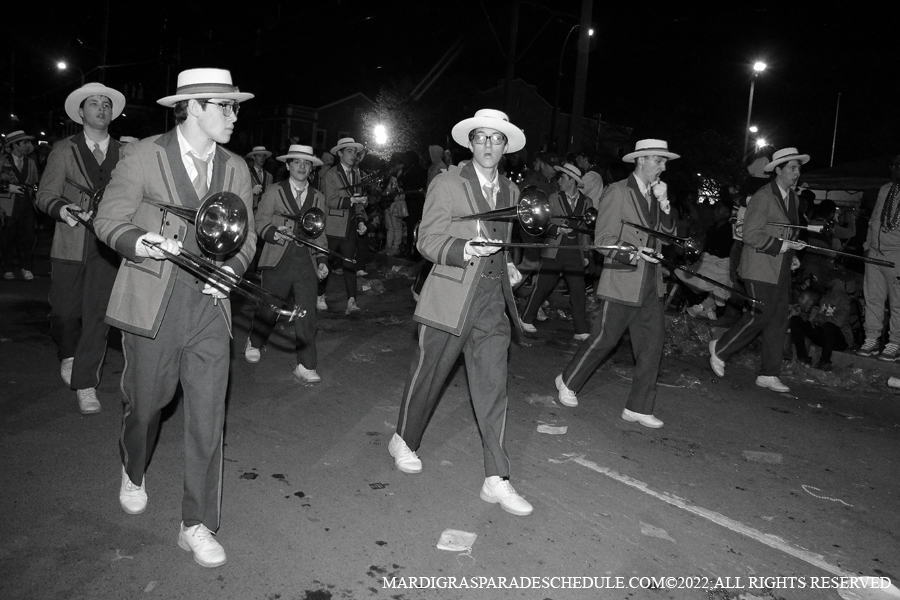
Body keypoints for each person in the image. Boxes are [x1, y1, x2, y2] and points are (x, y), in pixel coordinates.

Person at [93, 68, 256, 568]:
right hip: (154, 301)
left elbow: (248, 236)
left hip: (211, 307)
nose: (233, 115)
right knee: (146, 406)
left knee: (209, 419)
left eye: (233, 107)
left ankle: (197, 523)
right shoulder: (143, 155)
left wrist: (232, 269)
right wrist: (140, 242)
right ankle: (133, 465)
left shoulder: (237, 168)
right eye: (224, 106)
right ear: (194, 107)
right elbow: (107, 219)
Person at [389, 108, 532, 516]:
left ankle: (496, 477)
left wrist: (509, 265)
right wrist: (462, 249)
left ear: (506, 146)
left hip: (491, 301)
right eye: (481, 138)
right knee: (428, 375)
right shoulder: (447, 183)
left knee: (493, 386)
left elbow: (503, 244)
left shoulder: (511, 193)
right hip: (451, 295)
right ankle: (403, 438)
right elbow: (427, 238)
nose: (488, 145)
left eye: (497, 139)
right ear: (470, 143)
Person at [554, 139, 678, 428]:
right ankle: (569, 381)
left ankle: (639, 406)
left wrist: (665, 202)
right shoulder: (618, 192)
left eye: (664, 161)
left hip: (651, 283)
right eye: (659, 160)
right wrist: (634, 252)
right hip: (623, 277)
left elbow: (669, 236)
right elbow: (603, 240)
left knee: (652, 345)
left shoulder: (658, 195)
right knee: (605, 338)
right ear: (641, 161)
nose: (663, 166)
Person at [35, 83, 125, 414]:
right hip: (71, 241)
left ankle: (86, 383)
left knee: (98, 315)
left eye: (106, 104)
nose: (101, 109)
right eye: (94, 104)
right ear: (81, 112)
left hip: (106, 246)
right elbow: (44, 195)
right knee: (63, 312)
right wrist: (62, 209)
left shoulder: (125, 153)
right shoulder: (63, 149)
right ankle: (68, 352)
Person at [709, 147, 808, 392]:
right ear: (778, 170)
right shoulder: (764, 196)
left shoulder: (793, 199)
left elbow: (789, 231)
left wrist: (792, 254)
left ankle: (769, 373)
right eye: (792, 168)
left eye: (798, 169)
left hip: (781, 266)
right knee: (760, 315)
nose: (797, 173)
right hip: (759, 266)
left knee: (778, 318)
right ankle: (720, 349)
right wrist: (781, 245)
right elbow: (751, 234)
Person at [245, 144, 328, 382]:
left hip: (306, 262)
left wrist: (323, 260)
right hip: (278, 258)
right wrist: (272, 233)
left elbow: (321, 233)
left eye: (306, 163)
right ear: (288, 165)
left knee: (307, 313)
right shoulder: (273, 191)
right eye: (297, 162)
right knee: (269, 307)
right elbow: (259, 221)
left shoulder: (318, 197)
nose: (302, 167)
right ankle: (256, 341)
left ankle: (306, 364)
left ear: (311, 168)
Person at [520, 162, 592, 339]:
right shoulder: (553, 198)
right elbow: (543, 222)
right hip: (554, 250)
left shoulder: (586, 202)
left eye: (562, 177)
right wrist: (557, 229)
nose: (559, 181)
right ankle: (526, 318)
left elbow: (585, 231)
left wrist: (587, 254)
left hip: (574, 251)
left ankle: (580, 329)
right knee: (543, 286)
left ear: (572, 181)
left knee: (578, 290)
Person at [858, 155, 900, 360]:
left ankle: (895, 343)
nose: (895, 169)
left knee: (897, 302)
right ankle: (871, 339)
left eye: (899, 166)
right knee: (873, 299)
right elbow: (874, 219)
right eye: (894, 165)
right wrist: (867, 246)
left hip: (897, 255)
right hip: (875, 253)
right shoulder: (885, 189)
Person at [319, 137, 367, 314]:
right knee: (328, 262)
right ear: (340, 153)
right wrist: (352, 200)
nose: (353, 155)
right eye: (349, 151)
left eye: (355, 151)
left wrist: (361, 220)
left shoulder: (357, 174)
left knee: (349, 263)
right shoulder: (331, 174)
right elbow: (331, 201)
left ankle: (351, 301)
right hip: (333, 225)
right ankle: (320, 294)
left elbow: (359, 202)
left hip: (350, 225)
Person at [680, 200, 734, 320]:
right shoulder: (711, 229)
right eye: (715, 209)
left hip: (720, 267)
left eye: (718, 209)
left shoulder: (730, 231)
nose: (714, 212)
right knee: (680, 271)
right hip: (706, 263)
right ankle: (699, 304)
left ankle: (706, 307)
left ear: (727, 213)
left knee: (719, 281)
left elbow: (724, 256)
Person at [789, 274, 852, 371]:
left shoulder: (843, 300)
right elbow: (815, 318)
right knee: (796, 320)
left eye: (830, 278)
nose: (827, 280)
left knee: (829, 326)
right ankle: (803, 358)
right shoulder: (825, 297)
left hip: (839, 339)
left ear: (837, 280)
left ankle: (825, 362)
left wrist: (819, 319)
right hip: (824, 335)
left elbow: (838, 322)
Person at [1, 130, 39, 280]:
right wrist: (7, 188)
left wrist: (35, 193)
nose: (28, 146)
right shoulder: (2, 161)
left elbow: (36, 183)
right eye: (25, 142)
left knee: (27, 237)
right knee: (7, 238)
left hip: (27, 205)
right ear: (15, 145)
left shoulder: (31, 162)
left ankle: (26, 267)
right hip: (7, 206)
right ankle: (8, 267)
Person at [246, 146, 273, 212]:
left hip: (264, 212)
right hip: (250, 210)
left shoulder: (269, 176)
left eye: (264, 156)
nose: (262, 158)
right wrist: (251, 192)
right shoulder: (247, 174)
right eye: (259, 156)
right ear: (253, 157)